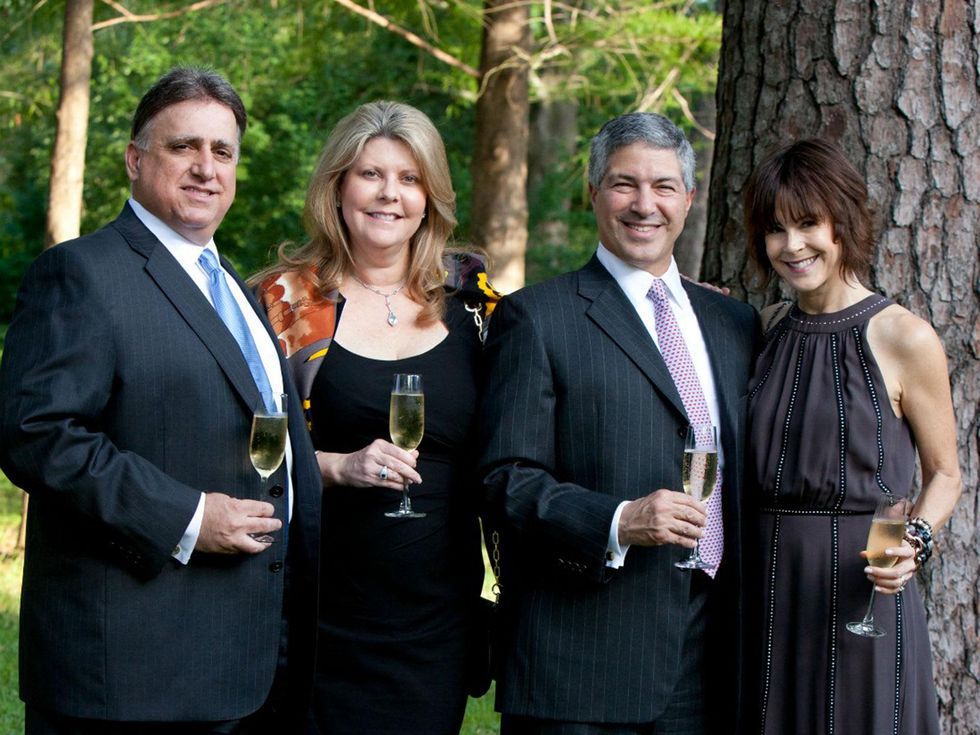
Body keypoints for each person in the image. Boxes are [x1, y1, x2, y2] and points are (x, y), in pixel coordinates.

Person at [0, 67, 321, 733]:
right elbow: (37, 433)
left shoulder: (235, 286)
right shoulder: (82, 273)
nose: (207, 168)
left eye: (223, 151)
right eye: (184, 147)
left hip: (244, 666)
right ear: (135, 159)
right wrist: (188, 516)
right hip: (129, 675)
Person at [478, 111, 760, 734]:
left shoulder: (734, 324)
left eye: (663, 186)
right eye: (624, 184)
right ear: (594, 192)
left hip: (711, 660)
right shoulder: (537, 318)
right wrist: (619, 521)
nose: (644, 204)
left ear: (688, 199)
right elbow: (504, 480)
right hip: (582, 664)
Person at [253, 100, 499, 735]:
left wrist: (681, 301)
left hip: (436, 618)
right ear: (337, 187)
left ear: (430, 197)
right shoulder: (285, 302)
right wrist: (334, 467)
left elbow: (559, 376)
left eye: (410, 178)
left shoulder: (477, 307)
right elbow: (242, 441)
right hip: (317, 609)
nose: (390, 194)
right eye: (370, 174)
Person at [743, 138, 962, 734]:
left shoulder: (904, 338)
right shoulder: (765, 330)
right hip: (764, 590)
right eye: (775, 230)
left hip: (860, 590)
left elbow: (946, 473)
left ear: (844, 221)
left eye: (809, 223)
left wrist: (914, 540)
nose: (792, 246)